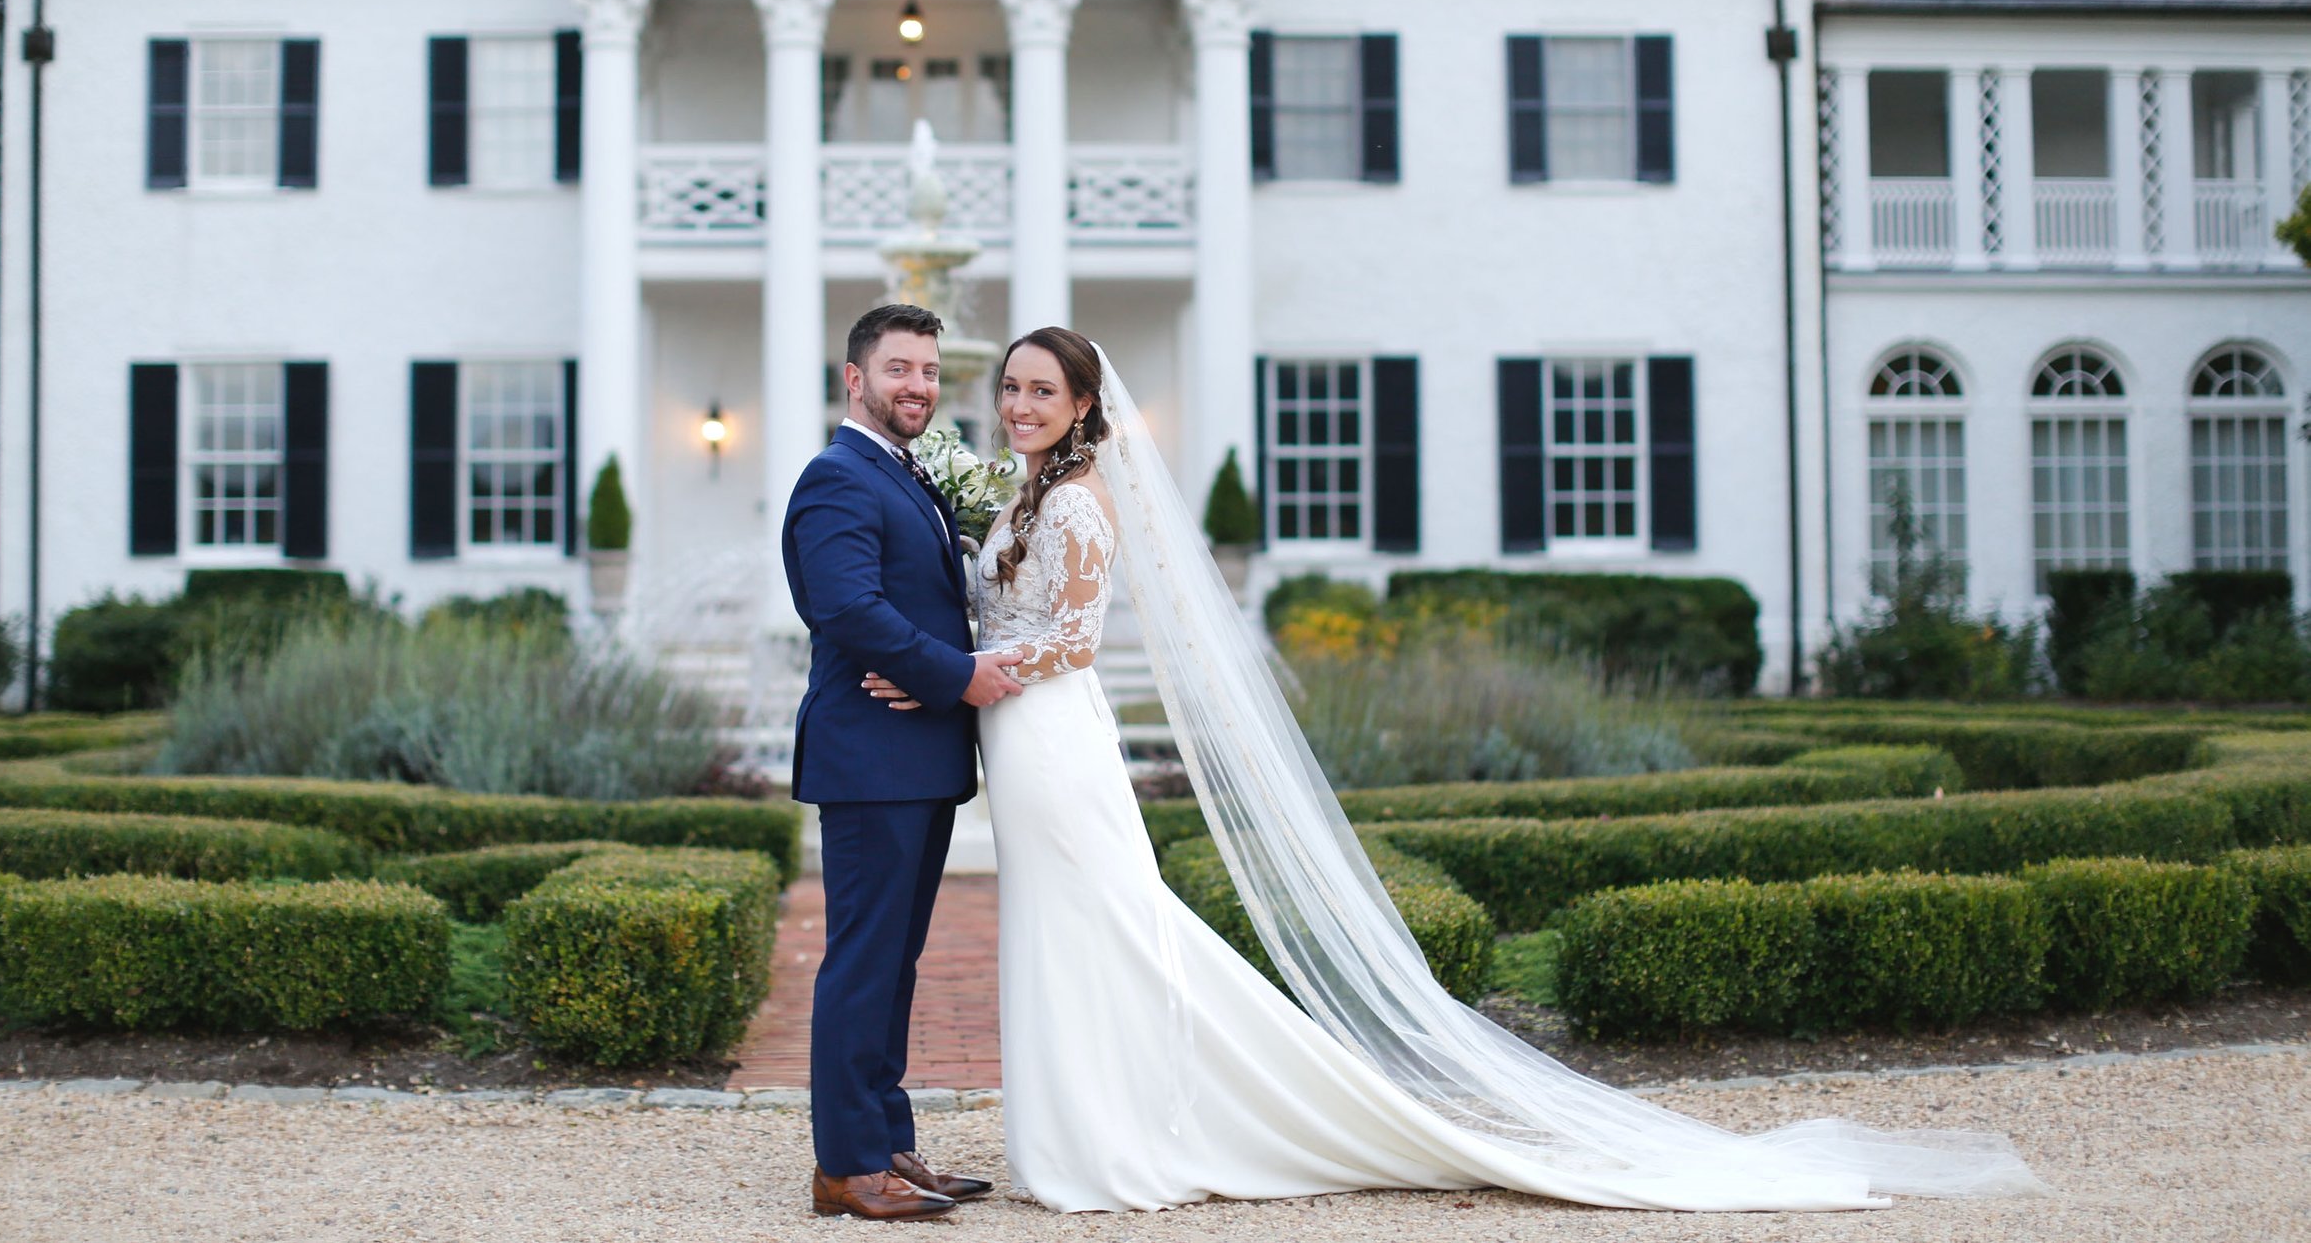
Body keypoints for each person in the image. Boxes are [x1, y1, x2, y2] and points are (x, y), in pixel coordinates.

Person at [860, 325, 2043, 1215]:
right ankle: (1077, 1134)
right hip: (1019, 737)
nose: (1018, 404)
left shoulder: (1078, 504)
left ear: (1081, 408)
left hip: (1051, 736)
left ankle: (1113, 1143)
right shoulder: (1024, 494)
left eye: (1039, 391)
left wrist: (952, 670)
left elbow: (1070, 640)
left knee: (1106, 924)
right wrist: (947, 660)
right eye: (1008, 387)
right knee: (1074, 930)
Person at [780, 303, 1025, 1221]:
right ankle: (845, 1166)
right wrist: (955, 675)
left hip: (910, 756)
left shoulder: (906, 473)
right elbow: (844, 608)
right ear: (855, 379)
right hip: (868, 758)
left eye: (927, 370)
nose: (918, 385)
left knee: (894, 964)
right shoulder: (837, 476)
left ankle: (885, 1142)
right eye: (899, 369)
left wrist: (935, 681)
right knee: (862, 963)